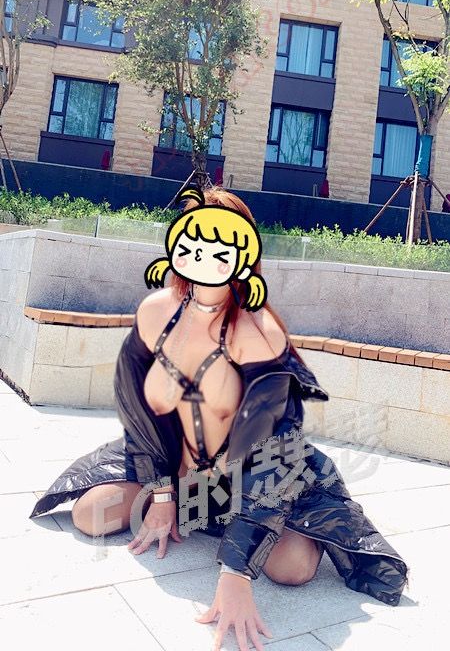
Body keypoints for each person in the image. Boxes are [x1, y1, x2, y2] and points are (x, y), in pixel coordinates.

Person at [31, 187, 408, 651]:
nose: (202, 257)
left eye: (219, 249)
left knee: (293, 569)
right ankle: (197, 511)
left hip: (255, 475)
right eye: (192, 242)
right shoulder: (156, 312)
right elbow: (140, 410)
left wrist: (235, 573)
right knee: (90, 515)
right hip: (175, 468)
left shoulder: (259, 332)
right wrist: (162, 494)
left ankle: (252, 525)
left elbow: (274, 447)